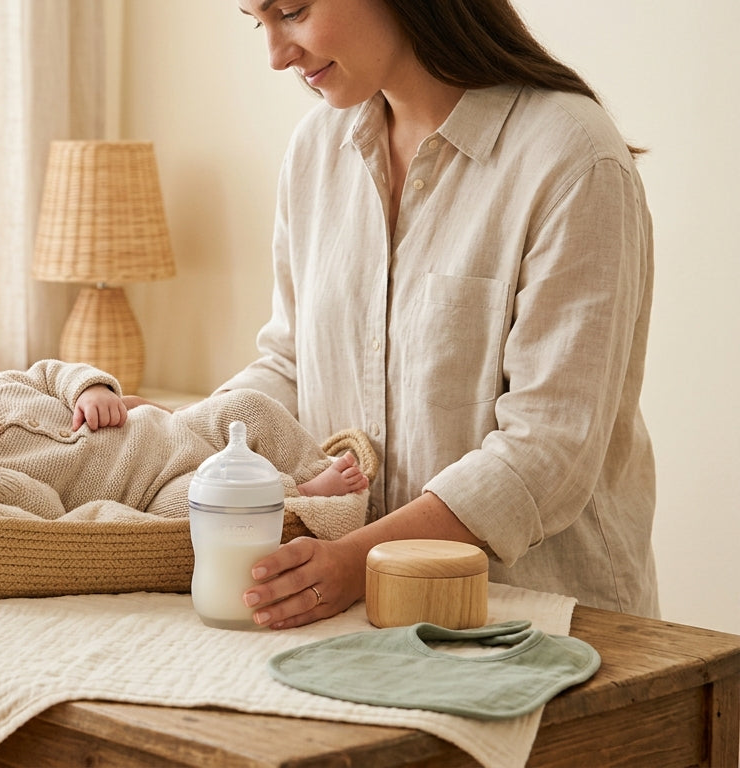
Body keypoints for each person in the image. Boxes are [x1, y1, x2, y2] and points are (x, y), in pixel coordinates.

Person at [225, 0, 657, 629]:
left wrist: (356, 560)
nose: (275, 54)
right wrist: (175, 436)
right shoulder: (317, 150)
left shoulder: (573, 159)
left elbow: (547, 449)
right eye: (255, 21)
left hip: (542, 624)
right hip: (364, 622)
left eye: (291, 11)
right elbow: (293, 367)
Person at [0, 353, 368, 529]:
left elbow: (54, 371)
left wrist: (91, 388)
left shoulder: (8, 387)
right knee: (201, 504)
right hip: (157, 486)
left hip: (177, 429)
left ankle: (306, 463)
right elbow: (47, 512)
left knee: (245, 406)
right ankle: (300, 495)